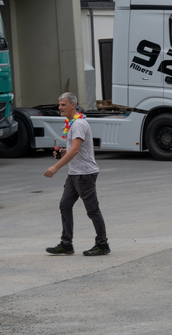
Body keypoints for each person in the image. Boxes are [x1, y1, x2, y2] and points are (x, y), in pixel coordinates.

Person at [44, 92, 110, 256]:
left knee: (92, 210)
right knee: (65, 205)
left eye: (63, 105)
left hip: (85, 174)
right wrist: (63, 152)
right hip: (75, 174)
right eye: (59, 105)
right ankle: (66, 244)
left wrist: (56, 166)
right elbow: (73, 149)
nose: (60, 108)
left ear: (73, 105)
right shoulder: (73, 123)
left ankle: (102, 244)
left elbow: (75, 150)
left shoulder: (79, 124)